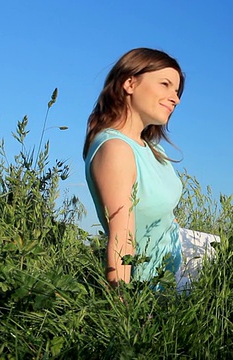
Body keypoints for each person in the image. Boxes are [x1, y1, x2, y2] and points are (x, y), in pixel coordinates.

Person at [83, 48, 185, 287]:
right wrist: (122, 312)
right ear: (130, 83)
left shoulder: (152, 149)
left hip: (179, 267)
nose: (175, 98)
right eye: (165, 84)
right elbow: (121, 240)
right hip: (151, 288)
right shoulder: (116, 149)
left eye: (177, 90)